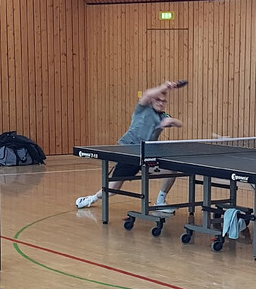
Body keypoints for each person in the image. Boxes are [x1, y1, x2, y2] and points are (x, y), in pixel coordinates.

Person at [76, 80, 185, 212]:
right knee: (113, 189)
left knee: (171, 171)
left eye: (164, 101)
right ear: (152, 100)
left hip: (147, 156)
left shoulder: (163, 116)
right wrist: (164, 87)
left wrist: (171, 121)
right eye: (158, 100)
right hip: (129, 152)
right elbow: (147, 94)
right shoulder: (143, 108)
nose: (161, 103)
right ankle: (91, 198)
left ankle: (160, 201)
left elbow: (179, 124)